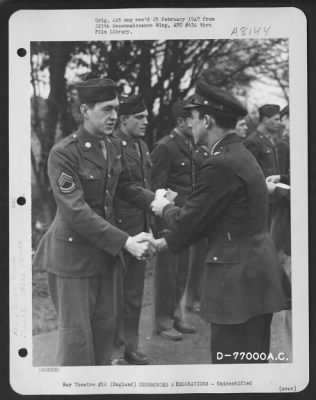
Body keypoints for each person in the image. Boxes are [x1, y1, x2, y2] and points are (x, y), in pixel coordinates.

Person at [151, 79, 289, 363]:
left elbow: (191, 223)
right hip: (254, 277)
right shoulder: (240, 154)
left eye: (192, 118)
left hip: (237, 285)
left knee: (233, 372)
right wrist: (173, 229)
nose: (190, 125)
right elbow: (216, 212)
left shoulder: (220, 163)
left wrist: (163, 207)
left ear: (207, 119)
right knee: (251, 369)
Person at [33, 78, 156, 366]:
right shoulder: (64, 153)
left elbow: (126, 187)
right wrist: (125, 241)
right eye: (106, 109)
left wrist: (156, 202)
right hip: (73, 258)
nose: (114, 116)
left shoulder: (113, 147)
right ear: (85, 110)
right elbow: (76, 211)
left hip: (106, 256)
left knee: (104, 335)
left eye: (116, 108)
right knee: (77, 341)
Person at [151, 100, 208, 340]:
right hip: (168, 220)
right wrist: (161, 223)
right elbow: (156, 187)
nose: (197, 122)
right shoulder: (165, 147)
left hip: (184, 219)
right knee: (167, 273)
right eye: (193, 118)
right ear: (180, 122)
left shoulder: (190, 145)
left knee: (181, 273)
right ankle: (162, 322)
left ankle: (175, 316)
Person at [113, 94, 152, 365]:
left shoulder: (141, 146)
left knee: (134, 294)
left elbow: (143, 186)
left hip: (140, 227)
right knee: (115, 294)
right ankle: (114, 350)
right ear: (123, 119)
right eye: (139, 117)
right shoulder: (113, 146)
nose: (145, 121)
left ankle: (130, 346)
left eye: (146, 117)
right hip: (119, 231)